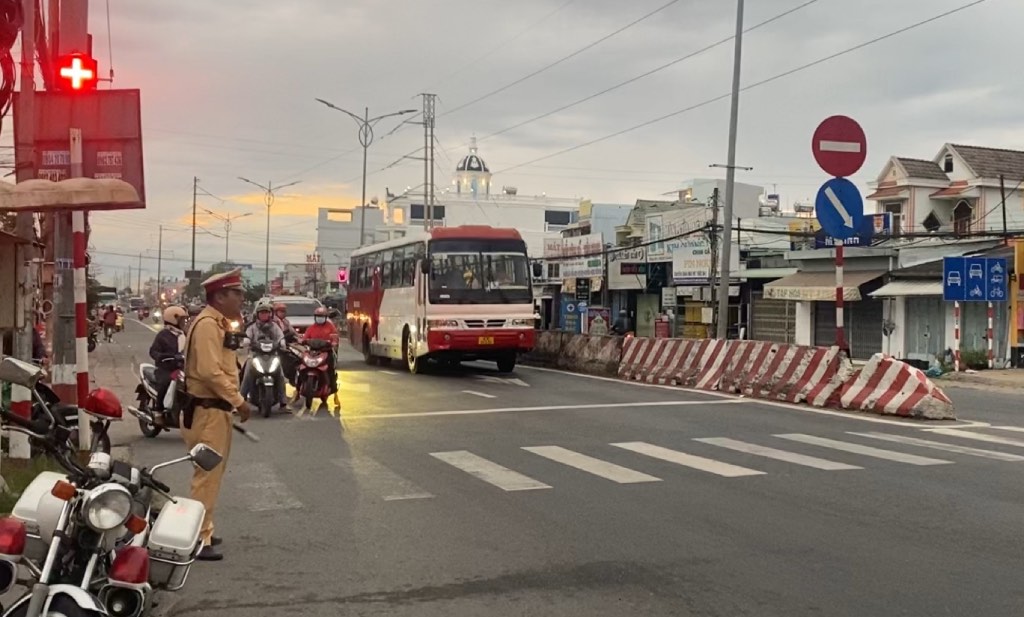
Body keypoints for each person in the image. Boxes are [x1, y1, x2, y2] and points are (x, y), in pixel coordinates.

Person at [182, 268, 253, 561]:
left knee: (212, 474)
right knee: (207, 476)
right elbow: (210, 371)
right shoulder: (209, 325)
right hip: (208, 411)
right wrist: (239, 401)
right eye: (236, 293)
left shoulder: (219, 322)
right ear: (220, 296)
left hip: (214, 411)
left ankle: (205, 528)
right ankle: (198, 538)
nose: (241, 298)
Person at [240, 301, 288, 408]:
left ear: (270, 314)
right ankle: (240, 401)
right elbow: (247, 337)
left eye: (266, 312)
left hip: (272, 356)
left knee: (280, 375)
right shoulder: (252, 327)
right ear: (257, 314)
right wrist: (246, 341)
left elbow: (280, 336)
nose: (264, 315)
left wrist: (282, 342)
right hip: (255, 355)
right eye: (261, 313)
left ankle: (283, 401)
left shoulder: (274, 326)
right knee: (247, 374)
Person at [149, 306, 187, 413]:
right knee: (165, 382)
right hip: (166, 369)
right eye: (181, 319)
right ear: (173, 319)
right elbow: (153, 352)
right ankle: (158, 410)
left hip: (182, 369)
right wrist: (164, 357)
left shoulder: (185, 335)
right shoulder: (163, 335)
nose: (184, 322)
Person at [300, 307, 339, 394]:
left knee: (330, 369)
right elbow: (305, 337)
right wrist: (303, 341)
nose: (320, 318)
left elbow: (335, 337)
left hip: (326, 351)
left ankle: (333, 387)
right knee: (301, 366)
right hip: (312, 352)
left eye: (322, 316)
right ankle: (299, 386)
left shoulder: (330, 327)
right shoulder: (311, 328)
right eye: (318, 316)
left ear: (325, 317)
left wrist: (333, 343)